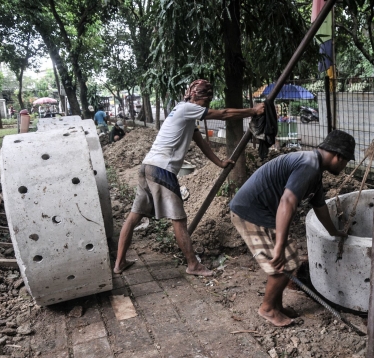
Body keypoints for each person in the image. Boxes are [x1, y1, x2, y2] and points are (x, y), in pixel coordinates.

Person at [113, 79, 265, 276]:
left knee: (134, 216)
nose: (206, 106)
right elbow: (224, 114)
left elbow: (201, 142)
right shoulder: (186, 108)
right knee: (179, 220)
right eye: (205, 101)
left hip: (147, 167)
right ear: (196, 97)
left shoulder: (182, 112)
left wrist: (219, 163)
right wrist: (253, 111)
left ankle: (119, 263)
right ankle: (193, 264)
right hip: (162, 170)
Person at [229, 130, 354, 326]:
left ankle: (276, 306)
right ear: (338, 156)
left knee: (286, 260)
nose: (345, 167)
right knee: (285, 260)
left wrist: (334, 232)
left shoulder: (315, 171)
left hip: (263, 212)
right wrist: (278, 245)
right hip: (250, 212)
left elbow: (320, 207)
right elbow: (287, 201)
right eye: (346, 161)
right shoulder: (309, 165)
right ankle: (268, 309)